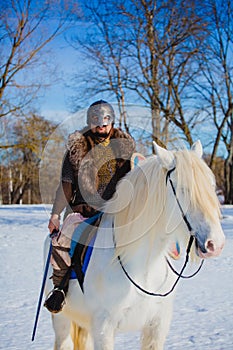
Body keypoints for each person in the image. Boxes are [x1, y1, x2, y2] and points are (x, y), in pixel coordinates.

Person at [44, 100, 136, 313]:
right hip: (83, 211)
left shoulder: (124, 148)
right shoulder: (77, 148)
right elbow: (66, 184)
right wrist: (56, 214)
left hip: (116, 210)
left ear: (112, 121)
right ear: (89, 122)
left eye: (105, 121)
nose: (101, 127)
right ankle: (60, 288)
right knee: (63, 238)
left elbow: (134, 180)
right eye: (96, 121)